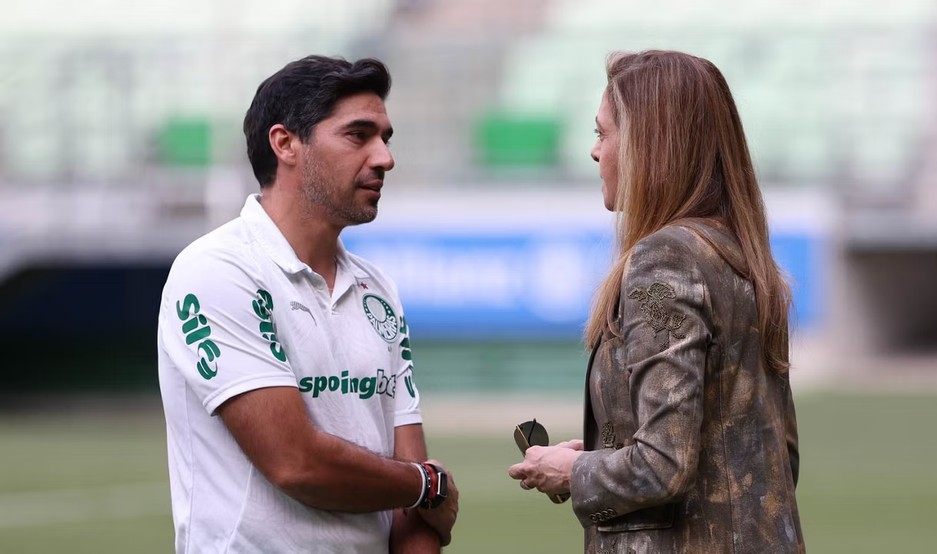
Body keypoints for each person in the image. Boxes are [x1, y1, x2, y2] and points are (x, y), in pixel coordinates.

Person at [157, 55, 458, 553]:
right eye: (358, 135)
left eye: (385, 137)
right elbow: (296, 463)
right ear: (285, 143)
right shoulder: (217, 270)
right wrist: (428, 485)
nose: (385, 158)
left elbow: (414, 496)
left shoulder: (377, 288)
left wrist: (420, 489)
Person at [508, 49, 805, 553]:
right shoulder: (739, 256)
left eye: (602, 133)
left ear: (649, 146)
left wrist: (573, 471)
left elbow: (664, 464)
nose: (594, 152)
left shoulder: (664, 259)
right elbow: (770, 457)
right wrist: (606, 451)